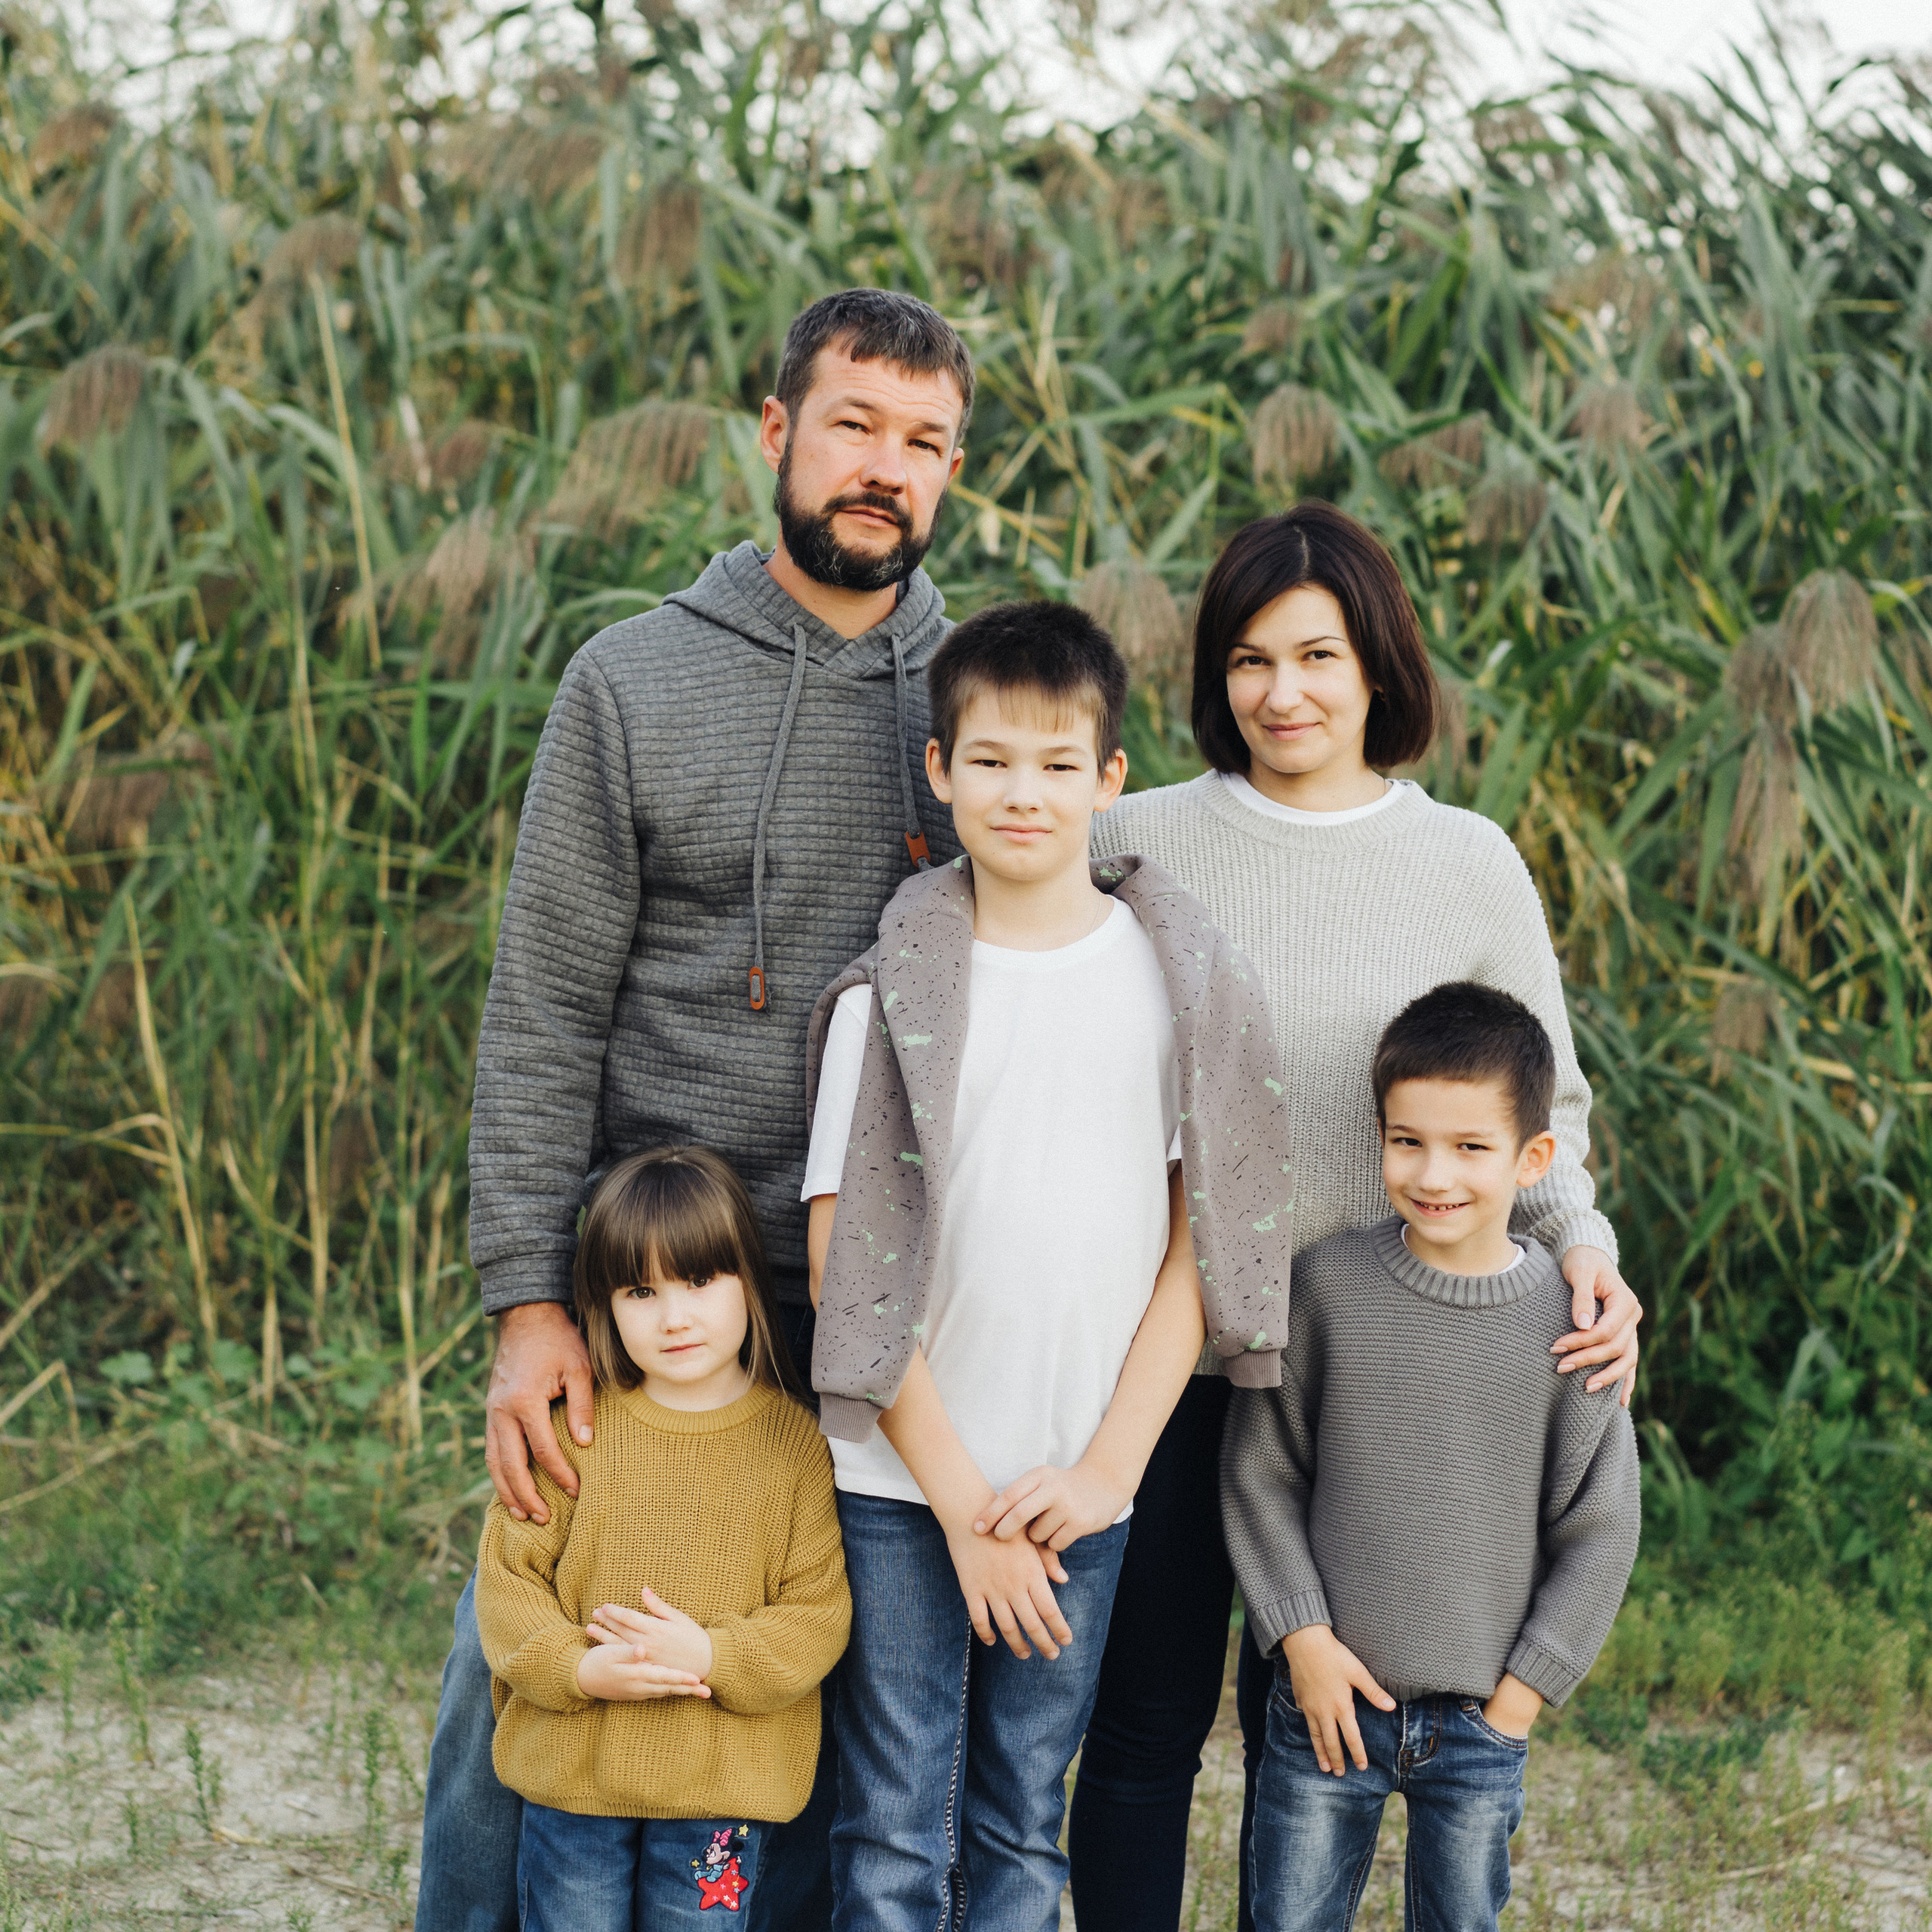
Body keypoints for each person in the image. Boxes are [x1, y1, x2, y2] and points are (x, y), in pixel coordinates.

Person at [417, 286, 974, 1932]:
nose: (886, 467)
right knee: (515, 1677)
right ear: (776, 432)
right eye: (855, 424)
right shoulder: (633, 679)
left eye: (925, 441)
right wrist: (529, 1301)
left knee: (818, 1683)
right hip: (653, 1269)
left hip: (877, 1286)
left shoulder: (980, 704)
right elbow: (540, 1012)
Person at [1069, 500, 1644, 1931]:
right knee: (1141, 1733)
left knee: (1305, 1729)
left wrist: (1586, 1251)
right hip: (1167, 1359)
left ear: (1377, 665)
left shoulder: (1465, 860)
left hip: (1369, 1366)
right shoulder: (1130, 840)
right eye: (1251, 660)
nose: (1284, 692)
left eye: (1318, 655)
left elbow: (1546, 1105)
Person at [800, 601, 1295, 1932]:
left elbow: (1207, 1247)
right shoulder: (885, 997)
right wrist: (961, 1509)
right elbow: (845, 1268)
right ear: (941, 771)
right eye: (995, 761)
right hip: (906, 1487)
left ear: (1110, 781)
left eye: (1058, 763)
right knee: (895, 1823)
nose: (1026, 793)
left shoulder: (1172, 980)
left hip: (1080, 1492)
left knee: (1023, 1818)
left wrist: (1105, 1474)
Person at [1223, 983, 1641, 1931]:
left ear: (1534, 1157)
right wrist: (1302, 1641)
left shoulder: (1572, 1329)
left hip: (1480, 1722)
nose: (1431, 1172)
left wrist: (1521, 1698)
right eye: (1405, 1140)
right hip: (1328, 1699)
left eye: (1469, 1147)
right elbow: (1262, 1473)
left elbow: (1602, 1530)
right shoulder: (1325, 1288)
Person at [474, 1146, 850, 1932]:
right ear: (602, 1303)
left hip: (719, 1797)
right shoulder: (573, 1433)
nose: (674, 1315)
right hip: (574, 1782)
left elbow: (817, 1614)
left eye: (700, 1280)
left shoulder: (794, 1447)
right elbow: (509, 1585)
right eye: (641, 1290)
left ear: (749, 1277)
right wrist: (576, 1667)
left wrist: (712, 1656)